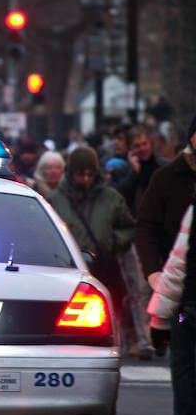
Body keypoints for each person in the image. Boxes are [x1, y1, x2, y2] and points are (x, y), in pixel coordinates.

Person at [48, 147, 136, 354]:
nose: (85, 179)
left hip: (105, 266)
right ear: (71, 173)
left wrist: (113, 242)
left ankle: (111, 347)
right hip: (69, 267)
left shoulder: (111, 198)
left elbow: (129, 227)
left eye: (90, 173)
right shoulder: (55, 199)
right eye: (81, 174)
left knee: (110, 312)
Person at [137, 115, 196, 356]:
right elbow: (146, 227)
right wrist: (153, 272)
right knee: (185, 366)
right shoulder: (166, 178)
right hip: (181, 291)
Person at [147, 203, 196, 415]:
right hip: (188, 307)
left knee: (184, 364)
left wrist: (158, 319)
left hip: (189, 306)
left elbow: (178, 264)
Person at [118, 127, 167, 216]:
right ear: (130, 149)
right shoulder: (123, 169)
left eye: (145, 144)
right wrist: (134, 172)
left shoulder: (164, 167)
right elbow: (122, 198)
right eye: (137, 146)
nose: (142, 148)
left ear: (151, 144)